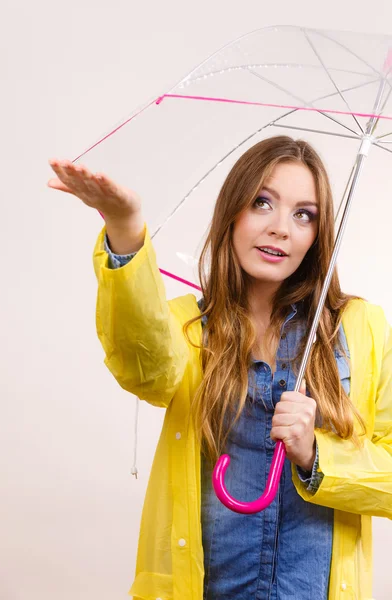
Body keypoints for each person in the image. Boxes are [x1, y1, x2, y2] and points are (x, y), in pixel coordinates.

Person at [48, 136, 392, 600]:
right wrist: (125, 228)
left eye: (303, 214)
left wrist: (316, 457)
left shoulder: (360, 329)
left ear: (318, 233)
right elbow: (141, 363)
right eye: (262, 203)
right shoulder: (190, 327)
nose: (281, 229)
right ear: (233, 212)